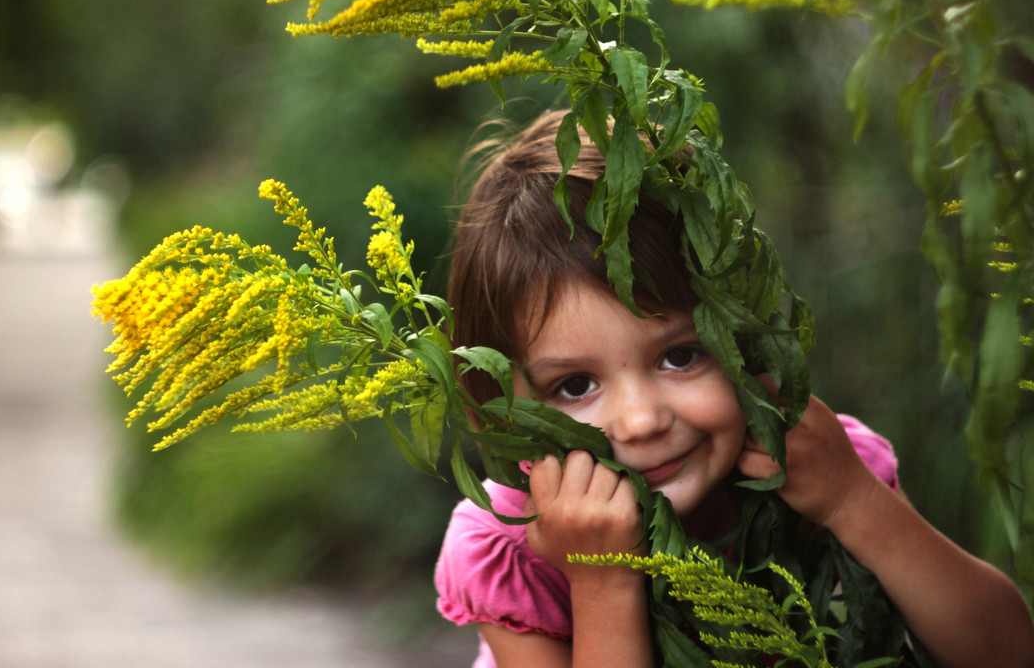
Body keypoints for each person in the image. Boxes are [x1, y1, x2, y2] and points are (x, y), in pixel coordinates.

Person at [434, 111, 1034, 668]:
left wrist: (853, 501)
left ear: (745, 338)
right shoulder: (508, 544)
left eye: (680, 355)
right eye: (575, 385)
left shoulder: (821, 467)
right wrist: (602, 578)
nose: (641, 421)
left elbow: (1006, 652)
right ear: (509, 409)